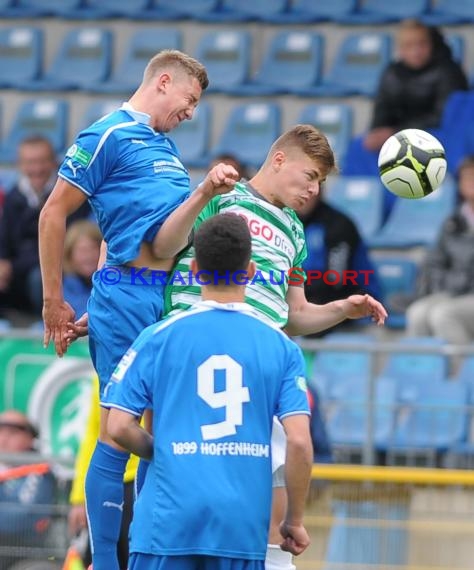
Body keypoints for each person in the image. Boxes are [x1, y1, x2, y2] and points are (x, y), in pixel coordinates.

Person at [150, 124, 387, 570]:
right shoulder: (221, 197)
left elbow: (292, 316)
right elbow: (164, 247)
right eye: (310, 175)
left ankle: (276, 559)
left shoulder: (294, 231)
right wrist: (202, 194)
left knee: (270, 470)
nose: (314, 189)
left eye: (321, 182)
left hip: (257, 356)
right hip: (192, 345)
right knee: (180, 472)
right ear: (278, 159)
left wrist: (340, 308)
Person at [38, 49, 238, 570]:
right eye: (190, 100)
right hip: (129, 297)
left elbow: (116, 225)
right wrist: (55, 301)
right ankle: (105, 561)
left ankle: (149, 554)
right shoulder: (107, 133)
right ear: (164, 82)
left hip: (163, 296)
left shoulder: (165, 147)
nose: (192, 112)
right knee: (119, 430)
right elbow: (53, 211)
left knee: (162, 427)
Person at [106, 213, 314, 570]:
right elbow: (297, 442)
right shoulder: (281, 347)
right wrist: (293, 519)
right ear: (250, 271)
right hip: (240, 528)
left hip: (166, 525)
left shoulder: (158, 337)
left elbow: (118, 427)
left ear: (196, 269)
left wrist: (164, 451)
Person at [343, 19, 468, 183]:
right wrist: (377, 132)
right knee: (360, 146)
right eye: (409, 45)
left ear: (431, 44)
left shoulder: (449, 71)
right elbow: (382, 110)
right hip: (398, 134)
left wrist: (396, 132)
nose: (416, 50)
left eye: (421, 44)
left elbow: (445, 117)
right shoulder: (392, 73)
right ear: (400, 49)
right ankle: (365, 199)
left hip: (436, 135)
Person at [0, 136, 90, 320]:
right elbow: (5, 239)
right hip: (20, 267)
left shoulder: (69, 195)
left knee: (38, 277)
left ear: (54, 162)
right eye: (30, 162)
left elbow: (69, 240)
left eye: (42, 161)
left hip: (55, 264)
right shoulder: (13, 197)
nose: (37, 169)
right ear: (20, 165)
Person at [68, 376, 138, 570]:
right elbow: (93, 434)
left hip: (142, 482)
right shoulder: (102, 373)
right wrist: (78, 497)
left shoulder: (151, 356)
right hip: (108, 481)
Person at [405, 155, 474, 345]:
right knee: (417, 313)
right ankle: (420, 371)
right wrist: (448, 282)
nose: (470, 182)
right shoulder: (452, 223)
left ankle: (462, 372)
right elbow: (435, 263)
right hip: (454, 292)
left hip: (466, 295)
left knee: (444, 315)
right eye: (466, 177)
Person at [295, 189, 381, 335]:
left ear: (319, 192)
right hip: (308, 290)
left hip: (350, 293)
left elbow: (335, 279)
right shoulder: (286, 221)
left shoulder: (338, 225)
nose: (303, 195)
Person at [0, 410, 56, 569]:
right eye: (0, 432)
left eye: (12, 433)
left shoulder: (39, 471)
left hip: (25, 557)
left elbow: (25, 520)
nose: (4, 439)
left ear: (30, 438)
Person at [63, 220, 102, 319]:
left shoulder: (107, 283)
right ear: (69, 255)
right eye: (82, 250)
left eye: (93, 249)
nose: (88, 256)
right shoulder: (65, 286)